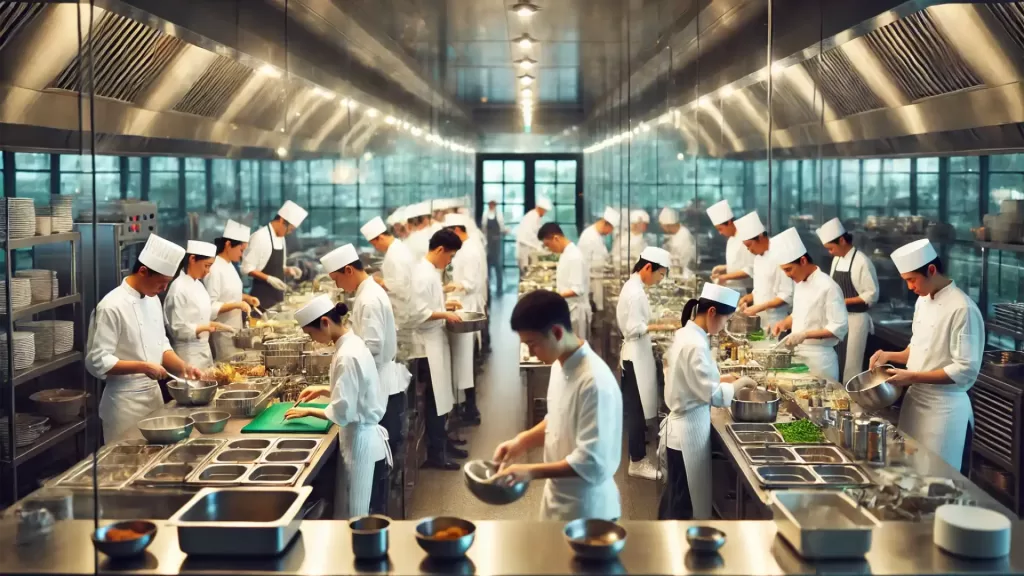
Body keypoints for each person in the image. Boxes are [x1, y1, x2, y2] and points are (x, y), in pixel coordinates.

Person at [492, 290, 622, 521]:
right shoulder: (559, 364)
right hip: (558, 497)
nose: (530, 352)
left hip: (588, 509)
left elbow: (592, 462)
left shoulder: (594, 382)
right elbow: (559, 419)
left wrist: (531, 472)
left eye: (533, 344)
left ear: (557, 332)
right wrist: (523, 441)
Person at [870, 239, 982, 472]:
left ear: (931, 270)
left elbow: (965, 369)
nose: (910, 287)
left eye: (912, 279)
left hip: (944, 411)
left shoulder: (963, 308)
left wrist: (912, 377)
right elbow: (918, 349)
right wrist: (889, 355)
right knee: (909, 471)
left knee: (937, 478)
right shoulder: (922, 300)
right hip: (915, 403)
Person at [321, 238, 410, 515]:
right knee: (377, 479)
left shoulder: (368, 299)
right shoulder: (366, 292)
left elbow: (369, 348)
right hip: (378, 385)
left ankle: (378, 519)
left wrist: (344, 369)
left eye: (337, 279)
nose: (338, 287)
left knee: (375, 482)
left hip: (378, 388)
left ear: (349, 270)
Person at [86, 234, 204, 443]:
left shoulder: (152, 300)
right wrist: (143, 367)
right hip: (124, 405)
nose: (164, 289)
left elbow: (161, 345)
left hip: (153, 398)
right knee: (126, 465)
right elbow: (97, 360)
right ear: (143, 271)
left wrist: (182, 366)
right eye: (161, 283)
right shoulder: (110, 306)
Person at [285, 296, 388, 519]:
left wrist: (309, 411)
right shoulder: (352, 343)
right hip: (360, 439)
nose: (313, 340)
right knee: (353, 513)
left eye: (311, 334)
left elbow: (343, 411)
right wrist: (323, 389)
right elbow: (356, 391)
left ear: (325, 322)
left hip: (360, 445)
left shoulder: (346, 355)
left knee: (356, 516)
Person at [659, 284, 755, 520]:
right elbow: (712, 395)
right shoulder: (695, 344)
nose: (724, 328)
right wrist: (739, 383)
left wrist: (721, 378)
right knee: (682, 504)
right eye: (725, 320)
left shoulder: (687, 334)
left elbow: (689, 379)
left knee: (676, 496)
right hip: (687, 433)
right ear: (712, 312)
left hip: (684, 426)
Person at [616, 247, 676, 480]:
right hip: (634, 355)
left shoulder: (634, 286)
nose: (660, 280)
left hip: (635, 353)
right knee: (636, 411)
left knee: (637, 408)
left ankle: (638, 456)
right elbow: (633, 329)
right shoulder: (636, 293)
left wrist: (659, 321)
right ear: (648, 267)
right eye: (660, 275)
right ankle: (637, 461)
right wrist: (663, 326)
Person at [410, 229, 465, 470]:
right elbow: (417, 313)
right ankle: (435, 453)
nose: (449, 261)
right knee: (434, 400)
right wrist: (444, 313)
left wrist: (445, 303)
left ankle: (443, 443)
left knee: (442, 397)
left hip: (435, 342)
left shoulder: (430, 272)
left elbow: (428, 302)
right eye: (450, 256)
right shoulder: (422, 273)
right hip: (425, 348)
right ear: (440, 250)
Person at [770, 227, 849, 382]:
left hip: (820, 361)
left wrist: (805, 334)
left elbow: (838, 327)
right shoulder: (800, 283)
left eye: (789, 269)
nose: (788, 275)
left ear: (803, 261)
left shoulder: (828, 286)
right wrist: (784, 323)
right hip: (800, 357)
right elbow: (799, 313)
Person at [816, 218, 880, 384]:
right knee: (838, 360)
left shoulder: (862, 262)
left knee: (851, 366)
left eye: (831, 248)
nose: (830, 252)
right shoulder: (837, 259)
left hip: (856, 320)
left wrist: (843, 301)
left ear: (842, 240)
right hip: (839, 319)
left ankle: (852, 405)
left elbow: (871, 295)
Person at [443, 214, 486, 426]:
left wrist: (445, 288)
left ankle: (469, 408)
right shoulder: (466, 248)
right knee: (463, 363)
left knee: (463, 362)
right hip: (462, 304)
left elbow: (469, 283)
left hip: (465, 306)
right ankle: (465, 406)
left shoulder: (469, 251)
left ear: (457, 230)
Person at [163, 240, 231, 370]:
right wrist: (204, 328)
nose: (208, 271)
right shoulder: (178, 288)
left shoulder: (198, 284)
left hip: (204, 353)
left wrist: (214, 325)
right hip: (188, 356)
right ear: (192, 259)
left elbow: (198, 318)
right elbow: (177, 328)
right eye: (207, 265)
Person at [205, 220, 260, 360]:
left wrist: (246, 298)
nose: (242, 255)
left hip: (235, 332)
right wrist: (236, 305)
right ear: (228, 244)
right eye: (241, 250)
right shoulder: (214, 268)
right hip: (222, 335)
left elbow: (229, 293)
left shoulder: (229, 265)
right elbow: (209, 307)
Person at [241, 200, 307, 309]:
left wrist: (288, 270)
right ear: (281, 220)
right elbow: (246, 268)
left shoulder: (281, 238)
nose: (289, 233)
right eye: (289, 229)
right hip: (261, 299)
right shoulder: (260, 237)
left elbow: (279, 266)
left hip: (278, 297)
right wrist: (268, 278)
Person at [733, 212, 793, 330]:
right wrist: (749, 298)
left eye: (750, 245)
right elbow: (761, 289)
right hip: (759, 321)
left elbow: (787, 295)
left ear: (760, 237)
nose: (749, 250)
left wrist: (760, 307)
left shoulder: (781, 255)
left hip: (777, 322)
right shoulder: (758, 259)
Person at [538, 222, 591, 338]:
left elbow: (577, 289)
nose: (549, 249)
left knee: (576, 351)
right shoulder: (566, 253)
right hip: (569, 310)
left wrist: (553, 297)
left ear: (556, 238)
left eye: (548, 245)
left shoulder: (574, 257)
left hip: (576, 313)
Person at [706, 200, 754, 294]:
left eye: (720, 229)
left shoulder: (746, 238)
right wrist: (724, 268)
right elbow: (740, 263)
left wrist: (725, 277)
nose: (720, 233)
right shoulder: (731, 239)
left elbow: (750, 269)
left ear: (729, 222)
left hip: (746, 290)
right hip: (733, 289)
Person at [577, 207, 619, 311]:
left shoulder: (598, 236)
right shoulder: (589, 236)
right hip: (591, 283)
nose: (609, 233)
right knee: (595, 311)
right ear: (605, 224)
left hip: (598, 280)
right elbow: (583, 264)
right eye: (610, 229)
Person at [658, 207, 696, 277]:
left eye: (662, 226)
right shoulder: (673, 235)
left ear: (667, 226)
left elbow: (684, 261)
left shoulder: (684, 236)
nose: (662, 229)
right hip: (673, 273)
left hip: (683, 275)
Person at [482, 200, 509, 295]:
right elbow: (484, 228)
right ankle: (487, 288)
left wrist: (505, 231)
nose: (492, 206)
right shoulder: (485, 214)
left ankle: (499, 288)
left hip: (496, 242)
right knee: (487, 266)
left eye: (493, 204)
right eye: (490, 204)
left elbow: (502, 227)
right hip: (488, 243)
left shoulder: (499, 214)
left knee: (498, 265)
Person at [516, 198, 551, 270]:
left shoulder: (535, 217)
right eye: (544, 211)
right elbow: (530, 236)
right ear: (540, 208)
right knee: (526, 274)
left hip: (528, 250)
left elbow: (538, 232)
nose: (544, 213)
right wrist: (540, 245)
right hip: (525, 251)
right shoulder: (532, 217)